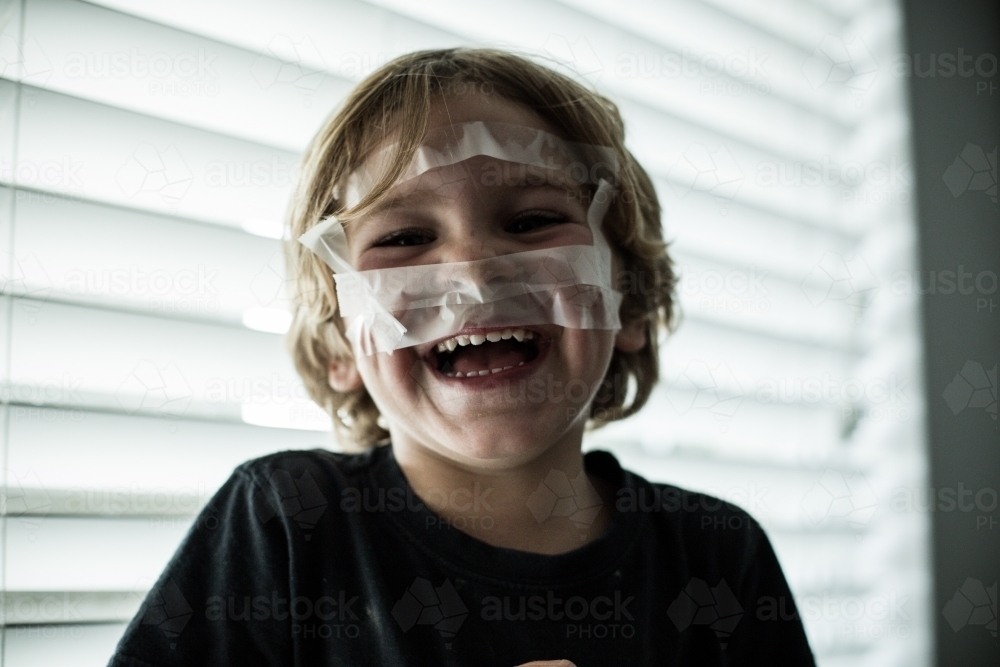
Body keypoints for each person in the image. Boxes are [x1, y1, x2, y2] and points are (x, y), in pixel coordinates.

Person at [108, 48, 815, 667]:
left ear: (626, 303)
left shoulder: (717, 556)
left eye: (533, 221)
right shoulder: (286, 523)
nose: (473, 275)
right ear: (339, 344)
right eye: (405, 237)